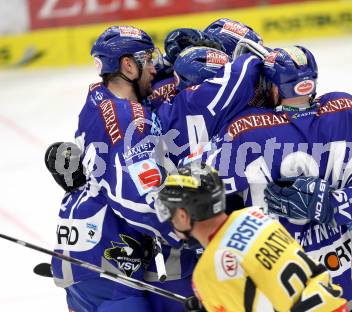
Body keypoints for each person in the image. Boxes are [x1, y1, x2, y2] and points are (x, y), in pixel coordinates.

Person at [201, 45, 352, 311]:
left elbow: (198, 179)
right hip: (343, 265)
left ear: (274, 87)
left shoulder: (246, 130)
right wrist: (344, 203)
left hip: (285, 276)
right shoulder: (344, 108)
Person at [50, 26, 197, 312]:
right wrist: (183, 232)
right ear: (128, 65)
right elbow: (134, 197)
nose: (154, 68)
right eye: (148, 60)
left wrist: (172, 61)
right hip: (110, 262)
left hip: (78, 249)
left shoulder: (96, 97)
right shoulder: (130, 119)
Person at [155, 161, 348, 312]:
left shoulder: (208, 271)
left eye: (170, 212)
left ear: (183, 215)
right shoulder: (254, 215)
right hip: (332, 303)